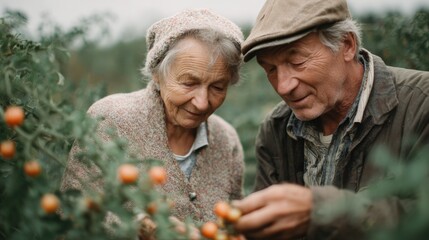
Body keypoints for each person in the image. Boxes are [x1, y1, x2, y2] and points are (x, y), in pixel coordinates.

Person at [232, 0, 429, 239]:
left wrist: (323, 211)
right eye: (270, 70)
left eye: (297, 62)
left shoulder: (421, 106)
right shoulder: (276, 129)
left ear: (346, 45)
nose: (283, 86)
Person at [61, 8, 244, 235]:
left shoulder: (227, 140)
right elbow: (73, 210)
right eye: (189, 83)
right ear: (157, 74)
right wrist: (142, 228)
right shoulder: (110, 120)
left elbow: (235, 223)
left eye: (218, 87)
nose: (202, 103)